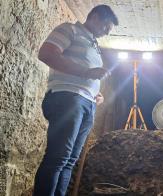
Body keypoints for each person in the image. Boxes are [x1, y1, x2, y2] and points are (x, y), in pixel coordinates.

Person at [33, 5, 118, 196]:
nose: (106, 33)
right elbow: (46, 53)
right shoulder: (69, 30)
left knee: (70, 160)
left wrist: (94, 93)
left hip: (86, 102)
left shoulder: (94, 46)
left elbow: (87, 76)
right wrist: (86, 73)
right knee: (58, 157)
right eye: (106, 27)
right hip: (68, 97)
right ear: (95, 17)